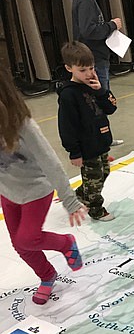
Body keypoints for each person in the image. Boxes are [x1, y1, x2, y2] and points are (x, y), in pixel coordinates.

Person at [0, 68, 86, 305]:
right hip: (8, 192)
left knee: (28, 238)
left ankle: (66, 243)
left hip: (36, 190)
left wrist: (69, 200)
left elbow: (51, 162)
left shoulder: (23, 125)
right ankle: (47, 276)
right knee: (20, 245)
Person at [58, 41, 118, 221]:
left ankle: (81, 194)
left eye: (91, 68)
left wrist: (101, 91)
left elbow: (111, 108)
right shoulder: (68, 95)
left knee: (103, 173)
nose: (89, 73)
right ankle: (96, 209)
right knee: (94, 180)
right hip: (86, 147)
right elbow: (66, 126)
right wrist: (74, 152)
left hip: (101, 142)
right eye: (82, 70)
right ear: (69, 68)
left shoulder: (95, 85)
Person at [72, 0, 124, 147]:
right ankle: (101, 138)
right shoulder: (85, 0)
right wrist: (112, 25)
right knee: (99, 100)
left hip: (98, 58)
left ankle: (103, 137)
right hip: (93, 60)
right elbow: (89, 30)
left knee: (99, 99)